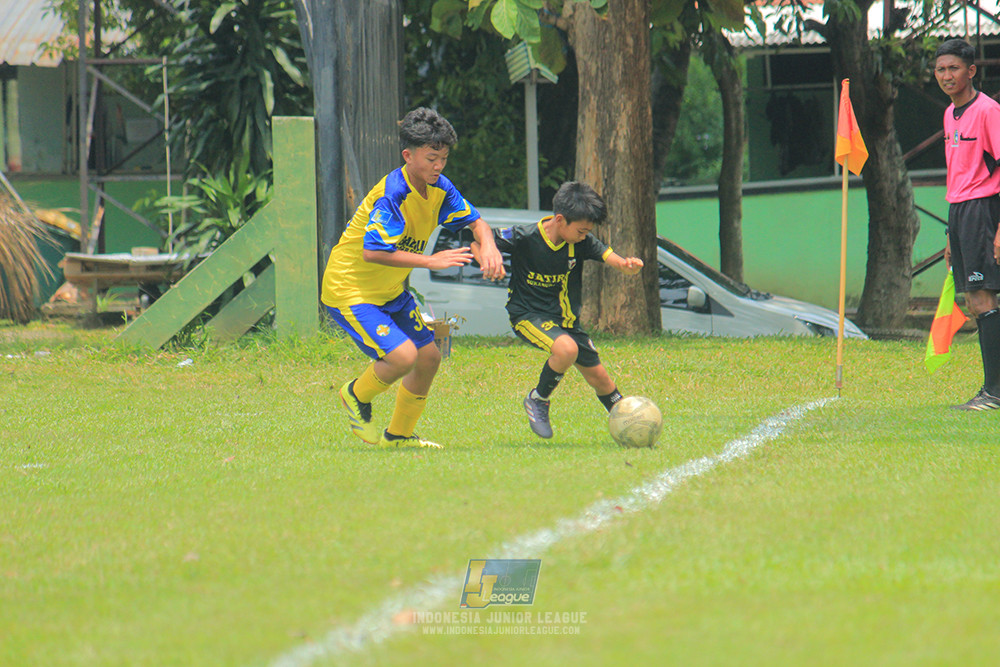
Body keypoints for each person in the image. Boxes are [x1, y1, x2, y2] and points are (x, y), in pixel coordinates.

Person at [322, 107, 506, 447]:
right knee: (403, 356)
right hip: (351, 289)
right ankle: (354, 395)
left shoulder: (440, 187)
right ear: (408, 156)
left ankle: (399, 436)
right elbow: (373, 252)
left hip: (388, 290)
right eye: (431, 158)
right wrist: (430, 262)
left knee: (429, 358)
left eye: (444, 158)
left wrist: (490, 245)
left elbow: (475, 221)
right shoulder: (393, 194)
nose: (438, 166)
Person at [471, 181, 644, 438]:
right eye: (581, 230)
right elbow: (479, 241)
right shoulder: (525, 236)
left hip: (567, 323)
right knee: (567, 349)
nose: (585, 235)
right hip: (527, 314)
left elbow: (610, 257)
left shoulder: (581, 242)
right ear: (560, 220)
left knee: (602, 381)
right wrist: (485, 256)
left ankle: (633, 427)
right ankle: (538, 399)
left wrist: (626, 265)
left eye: (588, 231)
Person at [934, 39, 1000, 411]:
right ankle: (992, 390)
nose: (947, 76)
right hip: (959, 212)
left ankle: (994, 393)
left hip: (983, 210)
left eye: (954, 68)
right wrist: (949, 233)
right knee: (977, 301)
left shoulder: (989, 111)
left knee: (983, 297)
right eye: (941, 69)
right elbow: (957, 173)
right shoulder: (949, 114)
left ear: (971, 71)